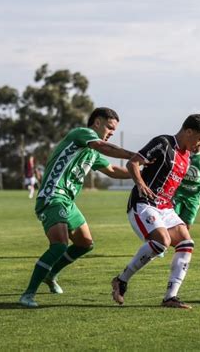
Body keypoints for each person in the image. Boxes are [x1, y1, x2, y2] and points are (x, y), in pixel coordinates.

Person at [19, 107, 136, 308]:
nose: (110, 133)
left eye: (114, 131)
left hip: (68, 202)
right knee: (60, 245)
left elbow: (113, 170)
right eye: (109, 128)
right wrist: (136, 156)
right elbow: (105, 147)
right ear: (97, 122)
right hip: (53, 195)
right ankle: (28, 294)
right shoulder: (83, 134)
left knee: (85, 244)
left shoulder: (93, 152)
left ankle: (51, 274)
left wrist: (142, 172)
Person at [111, 114, 200, 309]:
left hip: (165, 207)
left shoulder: (186, 156)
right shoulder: (163, 143)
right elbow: (133, 163)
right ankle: (121, 280)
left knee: (186, 242)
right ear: (188, 131)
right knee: (162, 241)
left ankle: (170, 297)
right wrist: (140, 184)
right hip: (143, 204)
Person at [173, 144, 200, 228]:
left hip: (194, 196)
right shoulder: (184, 152)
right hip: (178, 193)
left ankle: (179, 240)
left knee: (186, 225)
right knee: (172, 221)